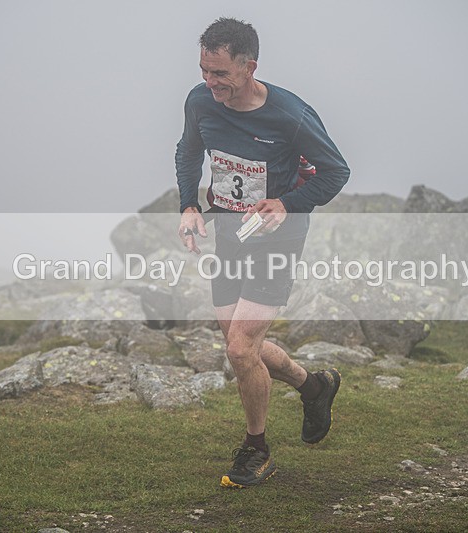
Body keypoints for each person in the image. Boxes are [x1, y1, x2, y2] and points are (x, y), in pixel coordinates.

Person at [175, 17, 350, 488]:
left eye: (221, 75)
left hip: (277, 239)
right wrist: (189, 204)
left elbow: (336, 173)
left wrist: (286, 203)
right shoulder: (200, 102)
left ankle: (257, 450)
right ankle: (314, 386)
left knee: (238, 348)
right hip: (230, 235)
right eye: (204, 71)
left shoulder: (290, 116)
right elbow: (188, 151)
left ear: (250, 67)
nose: (210, 84)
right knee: (241, 343)